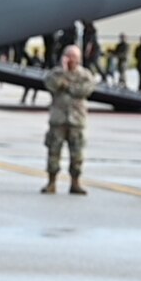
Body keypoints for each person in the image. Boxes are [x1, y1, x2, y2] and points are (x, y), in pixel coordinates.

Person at [42, 43, 98, 195]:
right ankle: (51, 181)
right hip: (58, 120)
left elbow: (84, 90)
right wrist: (63, 73)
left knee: (77, 154)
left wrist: (66, 85)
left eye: (74, 56)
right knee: (53, 152)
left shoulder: (85, 75)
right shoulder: (55, 73)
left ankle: (75, 182)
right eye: (69, 56)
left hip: (76, 121)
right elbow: (51, 85)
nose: (71, 59)